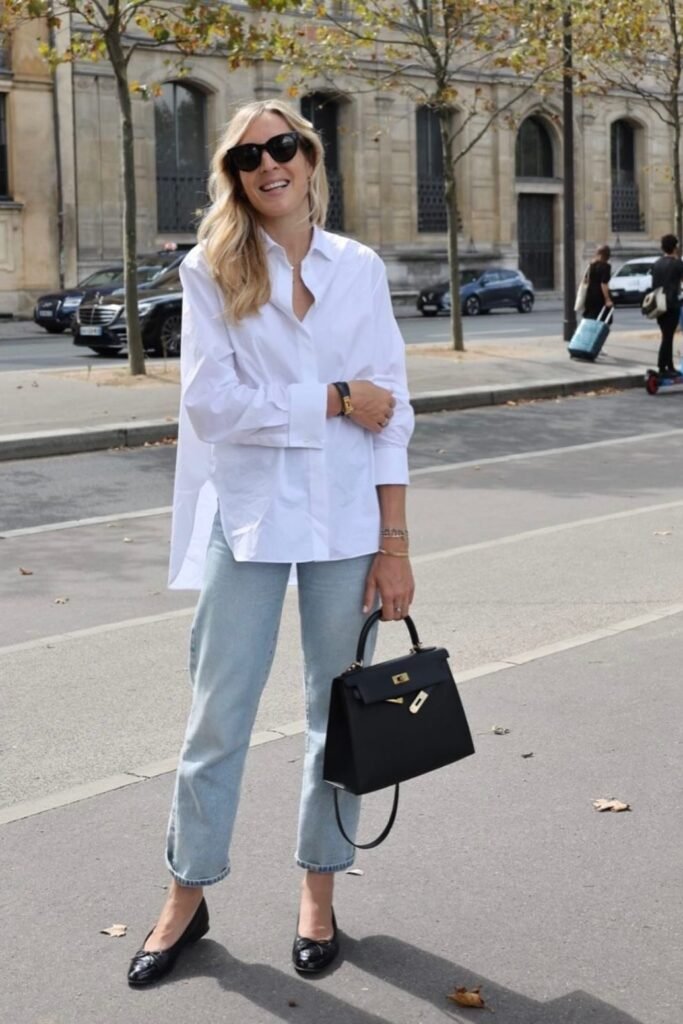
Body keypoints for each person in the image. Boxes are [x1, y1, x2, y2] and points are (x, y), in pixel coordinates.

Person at [126, 99, 415, 987]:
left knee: (341, 719)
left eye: (283, 146)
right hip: (245, 520)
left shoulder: (357, 268)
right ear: (234, 176)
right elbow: (214, 410)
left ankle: (319, 892)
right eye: (249, 154)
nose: (269, 163)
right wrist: (331, 398)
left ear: (310, 158)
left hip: (346, 523)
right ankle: (186, 893)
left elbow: (391, 410)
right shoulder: (209, 268)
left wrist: (395, 542)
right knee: (218, 716)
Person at [650, 233, 683, 376]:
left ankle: (669, 366)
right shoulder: (677, 263)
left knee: (666, 334)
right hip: (672, 304)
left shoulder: (657, 263)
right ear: (675, 247)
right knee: (667, 336)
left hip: (659, 304)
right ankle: (662, 366)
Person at [582, 244, 614, 320]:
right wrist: (607, 299)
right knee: (603, 319)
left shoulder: (591, 265)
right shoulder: (606, 267)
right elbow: (603, 284)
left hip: (590, 296)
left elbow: (585, 280)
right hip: (599, 297)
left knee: (590, 318)